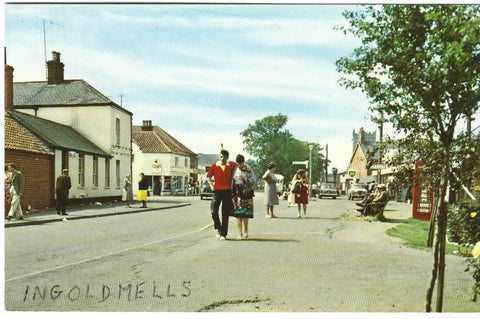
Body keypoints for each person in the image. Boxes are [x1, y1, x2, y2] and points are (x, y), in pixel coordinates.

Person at [207, 149, 238, 240]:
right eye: (221, 157)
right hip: (217, 191)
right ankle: (219, 228)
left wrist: (246, 167)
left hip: (227, 191)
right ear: (219, 157)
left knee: (225, 213)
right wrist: (211, 185)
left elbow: (240, 165)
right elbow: (208, 176)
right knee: (214, 211)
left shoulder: (231, 165)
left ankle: (223, 234)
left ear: (227, 158)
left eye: (224, 157)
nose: (222, 158)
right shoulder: (215, 166)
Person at [232, 154, 255, 240]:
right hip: (237, 193)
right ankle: (239, 233)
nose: (239, 165)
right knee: (238, 214)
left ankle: (246, 230)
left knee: (245, 214)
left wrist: (245, 178)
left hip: (247, 193)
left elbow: (253, 182)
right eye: (238, 163)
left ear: (243, 163)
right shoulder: (234, 169)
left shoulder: (249, 171)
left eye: (241, 164)